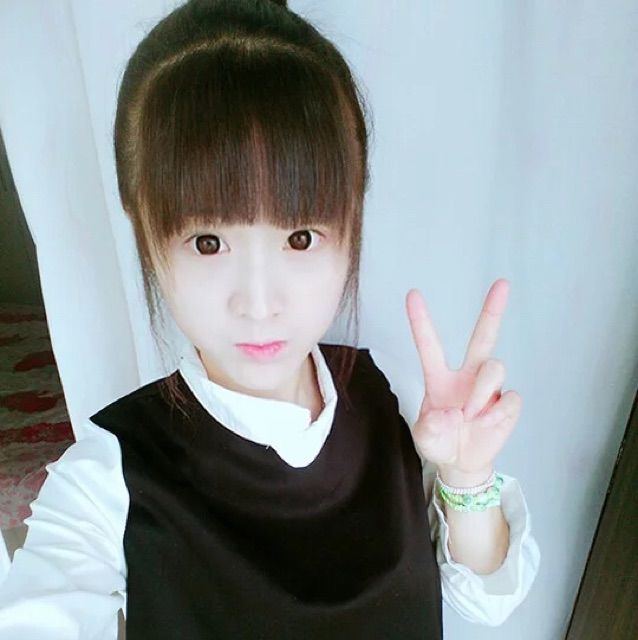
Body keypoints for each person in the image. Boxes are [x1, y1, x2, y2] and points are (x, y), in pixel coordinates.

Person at [0, 1, 540, 638]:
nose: (259, 303)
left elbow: (486, 598)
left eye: (300, 238)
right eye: (208, 243)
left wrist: (467, 477)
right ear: (145, 231)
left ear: (351, 225)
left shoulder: (390, 397)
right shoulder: (110, 477)